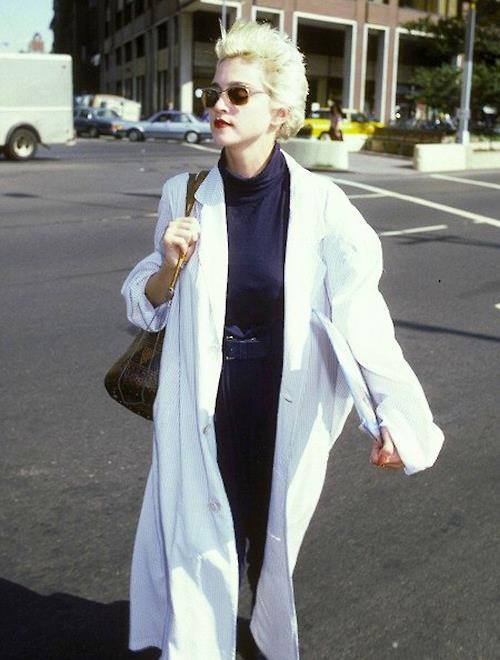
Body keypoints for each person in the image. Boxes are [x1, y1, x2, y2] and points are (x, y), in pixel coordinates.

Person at [121, 20, 444, 660]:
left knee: (266, 546)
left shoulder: (323, 206)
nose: (219, 105)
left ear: (279, 111)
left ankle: (259, 640)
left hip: (279, 407)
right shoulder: (183, 195)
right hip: (202, 408)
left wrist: (395, 418)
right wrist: (166, 267)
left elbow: (362, 317)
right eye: (214, 93)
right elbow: (144, 306)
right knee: (197, 546)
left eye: (238, 94)